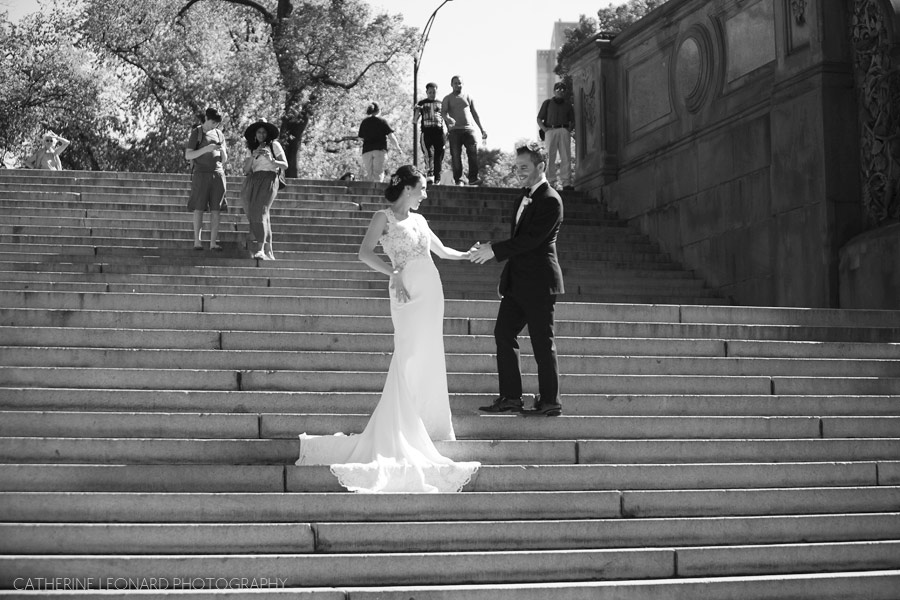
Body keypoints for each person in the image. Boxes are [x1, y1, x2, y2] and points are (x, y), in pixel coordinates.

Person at [296, 165, 479, 493]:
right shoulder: (384, 217)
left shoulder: (421, 220)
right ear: (407, 188)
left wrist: (467, 254)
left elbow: (441, 251)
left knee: (430, 356)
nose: (425, 194)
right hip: (405, 290)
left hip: (431, 290)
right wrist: (392, 273)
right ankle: (402, 425)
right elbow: (364, 252)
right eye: (422, 188)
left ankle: (430, 424)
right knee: (407, 355)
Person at [470, 143, 565, 417]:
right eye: (516, 167)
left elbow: (531, 241)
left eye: (524, 167)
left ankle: (550, 401)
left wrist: (494, 251)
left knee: (541, 342)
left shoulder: (550, 199)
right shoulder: (522, 198)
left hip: (539, 283)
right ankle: (511, 398)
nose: (518, 172)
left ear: (541, 166)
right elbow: (518, 244)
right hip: (517, 283)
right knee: (503, 333)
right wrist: (503, 275)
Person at [241, 119, 287, 260]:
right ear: (255, 134)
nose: (261, 135)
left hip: (270, 178)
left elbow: (285, 165)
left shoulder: (274, 145)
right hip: (255, 180)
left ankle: (260, 248)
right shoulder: (251, 148)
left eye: (264, 132)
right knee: (260, 213)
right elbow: (245, 170)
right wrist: (253, 155)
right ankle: (269, 250)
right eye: (259, 132)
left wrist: (272, 160)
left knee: (260, 210)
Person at [183, 108, 228, 251]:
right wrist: (206, 149)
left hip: (217, 173)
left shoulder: (219, 134)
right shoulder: (197, 132)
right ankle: (198, 241)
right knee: (199, 207)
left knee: (216, 209)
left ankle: (213, 242)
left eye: (217, 123)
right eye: (213, 122)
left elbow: (225, 159)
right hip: (201, 174)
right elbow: (188, 155)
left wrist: (221, 151)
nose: (215, 125)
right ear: (207, 118)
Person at [441, 75, 487, 186]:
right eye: (455, 83)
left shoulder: (468, 97)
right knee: (456, 155)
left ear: (462, 84)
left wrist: (482, 129)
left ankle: (473, 178)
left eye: (460, 83)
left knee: (473, 154)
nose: (458, 85)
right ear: (451, 85)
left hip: (469, 130)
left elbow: (475, 114)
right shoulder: (447, 98)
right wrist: (448, 119)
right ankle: (459, 179)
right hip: (455, 131)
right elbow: (443, 113)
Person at [537, 81, 576, 191]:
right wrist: (545, 129)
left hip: (563, 129)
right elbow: (539, 118)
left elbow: (572, 120)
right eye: (558, 90)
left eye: (562, 90)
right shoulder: (548, 103)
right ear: (554, 91)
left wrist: (569, 129)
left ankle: (566, 182)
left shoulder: (568, 105)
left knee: (565, 156)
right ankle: (550, 181)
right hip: (551, 129)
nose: (560, 92)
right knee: (550, 156)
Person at [357, 102, 402, 182]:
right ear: (379, 110)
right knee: (378, 174)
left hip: (366, 151)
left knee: (370, 176)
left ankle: (371, 193)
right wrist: (398, 147)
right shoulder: (382, 121)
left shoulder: (364, 122)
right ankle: (377, 193)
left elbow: (360, 139)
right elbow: (391, 136)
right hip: (379, 151)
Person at [414, 82, 446, 184]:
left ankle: (437, 178)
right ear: (426, 92)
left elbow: (445, 117)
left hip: (439, 132)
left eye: (434, 92)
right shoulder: (421, 103)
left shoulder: (441, 103)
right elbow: (415, 120)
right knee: (428, 154)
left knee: (439, 155)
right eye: (430, 92)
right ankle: (429, 173)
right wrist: (417, 111)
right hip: (426, 132)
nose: (432, 94)